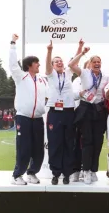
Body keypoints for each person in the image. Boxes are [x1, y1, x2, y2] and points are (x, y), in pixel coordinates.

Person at [9, 34, 48, 185]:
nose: (39, 65)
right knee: (24, 147)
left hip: (38, 118)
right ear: (29, 65)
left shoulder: (42, 80)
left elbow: (48, 95)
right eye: (36, 63)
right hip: (23, 117)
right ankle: (16, 175)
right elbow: (13, 64)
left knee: (38, 149)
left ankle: (32, 173)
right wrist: (13, 44)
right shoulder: (21, 76)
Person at [68, 46, 109, 185]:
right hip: (86, 109)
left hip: (99, 110)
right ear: (90, 64)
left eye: (99, 62)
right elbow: (71, 65)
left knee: (98, 141)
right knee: (87, 141)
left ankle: (93, 170)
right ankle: (85, 170)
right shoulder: (85, 73)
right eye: (94, 62)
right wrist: (82, 53)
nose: (97, 64)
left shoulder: (106, 77)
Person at [45, 40, 76, 185]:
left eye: (60, 61)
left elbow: (73, 62)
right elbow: (47, 64)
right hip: (55, 113)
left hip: (69, 112)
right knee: (55, 143)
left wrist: (81, 50)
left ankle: (67, 173)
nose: (59, 63)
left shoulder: (68, 74)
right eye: (56, 61)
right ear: (52, 65)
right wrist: (49, 50)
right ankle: (56, 173)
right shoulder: (51, 75)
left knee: (69, 143)